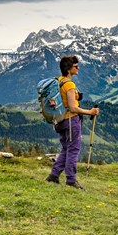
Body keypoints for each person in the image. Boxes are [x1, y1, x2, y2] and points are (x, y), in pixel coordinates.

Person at [46, 55, 99, 190]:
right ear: (69, 69)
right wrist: (90, 112)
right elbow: (73, 107)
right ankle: (71, 180)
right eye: (76, 66)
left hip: (59, 120)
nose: (78, 68)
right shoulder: (69, 84)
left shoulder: (58, 81)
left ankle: (53, 175)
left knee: (66, 149)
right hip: (71, 120)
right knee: (73, 150)